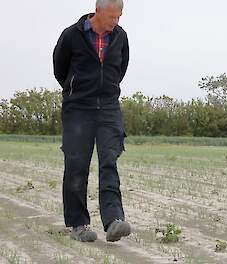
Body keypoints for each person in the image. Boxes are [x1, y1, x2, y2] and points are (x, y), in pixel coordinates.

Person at [53, 0, 131, 242]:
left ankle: (114, 221)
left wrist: (106, 90)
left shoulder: (120, 37)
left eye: (119, 17)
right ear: (97, 11)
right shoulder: (71, 35)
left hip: (108, 108)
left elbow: (120, 69)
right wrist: (78, 92)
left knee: (109, 161)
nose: (115, 23)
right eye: (112, 17)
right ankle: (78, 224)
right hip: (78, 109)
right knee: (77, 166)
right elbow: (60, 70)